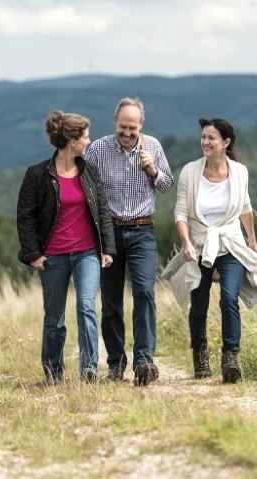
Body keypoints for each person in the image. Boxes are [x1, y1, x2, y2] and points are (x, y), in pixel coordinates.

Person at [17, 110, 116, 384]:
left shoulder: (89, 171)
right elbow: (25, 217)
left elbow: (103, 211)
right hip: (53, 256)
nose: (89, 141)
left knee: (86, 306)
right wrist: (33, 253)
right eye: (85, 136)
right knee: (54, 317)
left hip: (87, 252)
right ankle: (52, 371)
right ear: (72, 140)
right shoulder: (37, 175)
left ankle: (89, 370)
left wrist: (107, 248)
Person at [163, 118, 257, 383]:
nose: (205, 142)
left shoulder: (240, 172)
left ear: (226, 143)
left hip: (230, 243)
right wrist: (186, 244)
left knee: (229, 298)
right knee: (199, 305)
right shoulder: (190, 172)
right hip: (198, 246)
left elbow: (245, 206)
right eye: (203, 137)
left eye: (211, 138)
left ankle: (230, 357)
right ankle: (200, 357)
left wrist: (251, 240)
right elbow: (181, 212)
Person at [85, 97, 174, 386]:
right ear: (115, 123)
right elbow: (85, 188)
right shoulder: (98, 149)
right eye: (123, 126)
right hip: (108, 232)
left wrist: (152, 169)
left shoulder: (154, 147)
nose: (127, 132)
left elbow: (166, 185)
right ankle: (115, 363)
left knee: (145, 294)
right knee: (111, 302)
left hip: (142, 231)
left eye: (132, 127)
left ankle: (144, 360)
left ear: (141, 126)